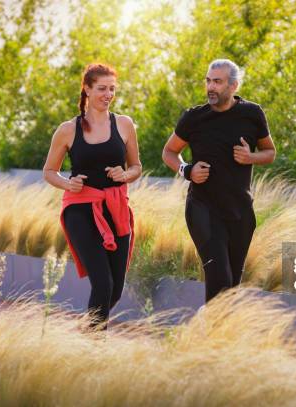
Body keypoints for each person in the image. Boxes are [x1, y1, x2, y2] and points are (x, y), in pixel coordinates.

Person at [162, 59, 276, 303]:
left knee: (232, 287)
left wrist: (250, 157)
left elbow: (270, 152)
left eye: (217, 82)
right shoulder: (194, 118)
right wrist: (187, 170)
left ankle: (222, 338)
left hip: (240, 211)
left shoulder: (252, 114)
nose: (210, 87)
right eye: (208, 81)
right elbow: (169, 152)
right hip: (203, 208)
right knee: (219, 280)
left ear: (233, 86)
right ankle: (209, 340)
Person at [43, 63, 142, 331]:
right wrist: (68, 183)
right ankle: (94, 348)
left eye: (112, 89)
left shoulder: (124, 124)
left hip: (116, 209)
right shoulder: (68, 129)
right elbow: (49, 171)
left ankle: (83, 333)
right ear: (87, 89)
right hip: (80, 209)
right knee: (103, 283)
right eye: (102, 88)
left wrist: (125, 175)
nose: (108, 94)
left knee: (116, 291)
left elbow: (136, 167)